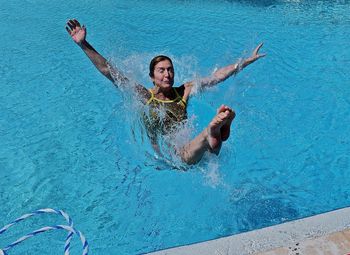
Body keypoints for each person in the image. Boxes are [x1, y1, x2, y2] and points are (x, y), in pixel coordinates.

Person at [66, 19, 265, 165]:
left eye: (170, 70)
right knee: (206, 152)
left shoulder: (184, 91)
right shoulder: (145, 96)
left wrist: (244, 62)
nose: (167, 74)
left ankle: (212, 132)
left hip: (182, 150)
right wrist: (84, 44)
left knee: (195, 157)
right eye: (161, 71)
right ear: (152, 77)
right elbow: (109, 70)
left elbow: (217, 76)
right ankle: (214, 131)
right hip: (177, 149)